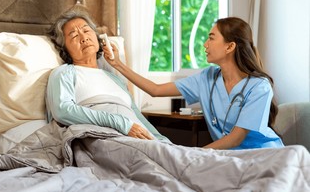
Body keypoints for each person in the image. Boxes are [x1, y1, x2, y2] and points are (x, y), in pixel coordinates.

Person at [103, 17, 284, 150]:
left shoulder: (259, 86)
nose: (205, 44)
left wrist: (196, 154)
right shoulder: (206, 78)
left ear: (230, 46)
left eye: (211, 38)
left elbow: (235, 139)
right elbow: (155, 90)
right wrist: (118, 64)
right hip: (228, 157)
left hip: (264, 154)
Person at [45, 9, 170, 143]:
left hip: (141, 137)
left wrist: (163, 141)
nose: (84, 38)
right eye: (74, 36)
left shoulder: (115, 79)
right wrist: (121, 123)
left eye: (86, 31)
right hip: (103, 137)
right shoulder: (64, 73)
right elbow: (63, 111)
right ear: (65, 48)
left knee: (181, 155)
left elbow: (137, 116)